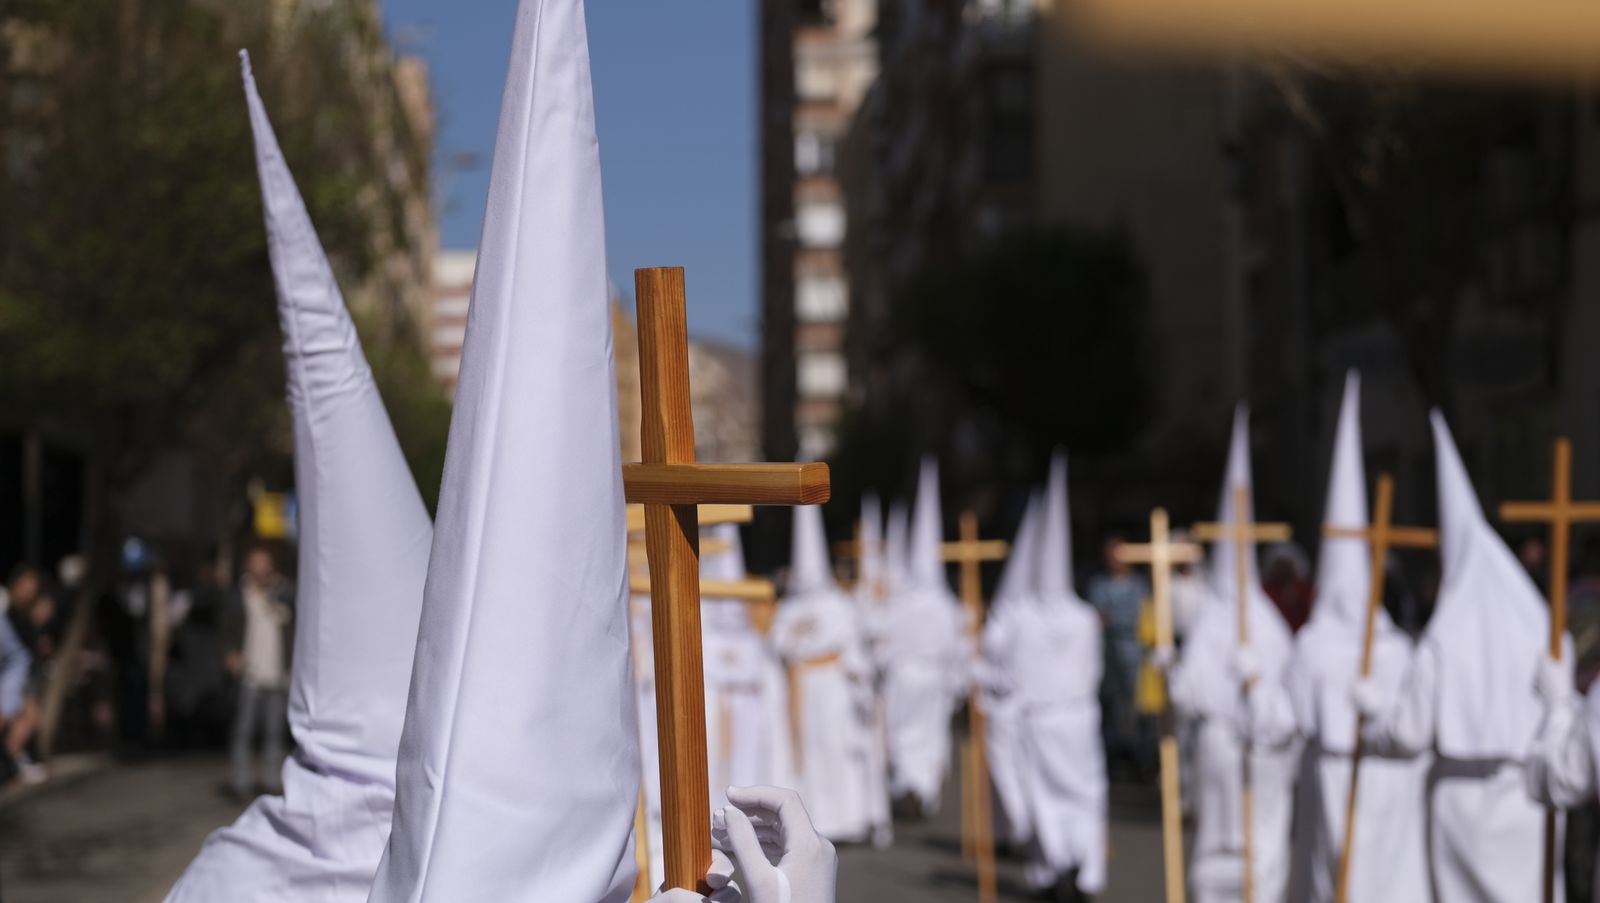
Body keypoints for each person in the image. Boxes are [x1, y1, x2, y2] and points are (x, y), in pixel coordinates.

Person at [1354, 411, 1570, 903]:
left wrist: (1372, 723)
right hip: (1531, 798)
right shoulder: (1538, 620)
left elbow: (1409, 733)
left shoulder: (1442, 638)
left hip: (1460, 805)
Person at [1285, 373, 1429, 903]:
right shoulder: (1324, 644)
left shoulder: (1390, 648)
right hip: (1337, 779)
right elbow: (1296, 717)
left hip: (1382, 781)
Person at [1167, 407, 1300, 903]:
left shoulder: (1227, 619)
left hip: (1246, 749)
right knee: (1242, 844)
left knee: (1234, 841)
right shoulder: (1261, 621)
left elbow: (1187, 694)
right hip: (1241, 747)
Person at [1009, 453, 1107, 899]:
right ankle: (1083, 868)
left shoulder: (1023, 619)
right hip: (1078, 716)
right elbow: (1097, 668)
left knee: (1045, 798)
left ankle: (1053, 866)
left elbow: (1008, 668)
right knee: (1085, 793)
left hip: (1041, 718)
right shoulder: (1086, 618)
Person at [771, 504, 878, 842]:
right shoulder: (789, 607)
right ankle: (814, 818)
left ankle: (845, 818)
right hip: (801, 686)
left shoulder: (840, 605)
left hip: (832, 686)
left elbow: (852, 649)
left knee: (835, 746)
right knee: (809, 752)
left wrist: (858, 680)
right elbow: (777, 644)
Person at [882, 458, 967, 818]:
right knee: (930, 734)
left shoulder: (898, 602)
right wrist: (958, 684)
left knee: (904, 732)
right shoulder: (947, 604)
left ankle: (909, 784)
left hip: (904, 675)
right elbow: (957, 649)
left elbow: (882, 642)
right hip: (933, 676)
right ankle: (923, 789)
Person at [980, 491, 1042, 852]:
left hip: (1011, 708)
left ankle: (1021, 827)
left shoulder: (1006, 620)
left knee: (1012, 772)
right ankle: (1018, 828)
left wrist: (980, 674)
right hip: (1031, 711)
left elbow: (998, 668)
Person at [222, 545, 293, 799]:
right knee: (243, 730)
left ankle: (272, 780)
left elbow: (293, 624)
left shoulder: (282, 594)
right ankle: (241, 782)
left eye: (266, 563)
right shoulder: (239, 595)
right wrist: (230, 654)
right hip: (249, 674)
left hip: (277, 674)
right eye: (257, 563)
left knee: (275, 732)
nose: (262, 569)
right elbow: (227, 629)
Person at [1089, 535, 1150, 773]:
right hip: (1108, 655)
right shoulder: (1099, 585)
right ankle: (1114, 759)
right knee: (1112, 708)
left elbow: (1140, 616)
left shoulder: (1140, 585)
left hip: (1136, 654)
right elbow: (1096, 616)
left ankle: (1142, 758)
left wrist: (1114, 618)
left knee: (1138, 709)